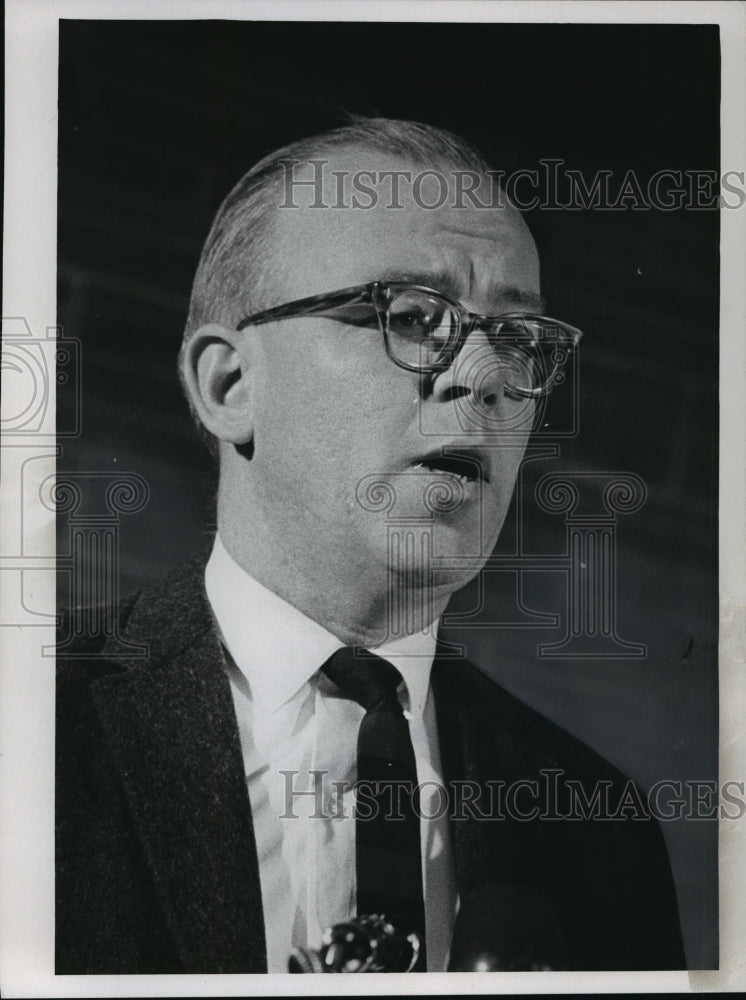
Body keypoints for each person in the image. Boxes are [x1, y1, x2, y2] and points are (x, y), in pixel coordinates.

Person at [56, 117, 685, 974]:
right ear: (230, 386)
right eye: (414, 317)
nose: (483, 379)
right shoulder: (36, 720)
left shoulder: (599, 828)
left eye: (517, 339)